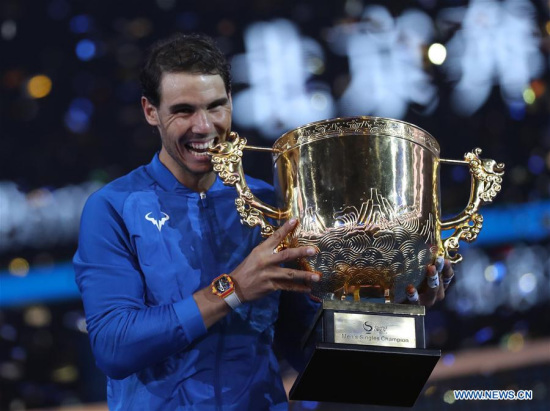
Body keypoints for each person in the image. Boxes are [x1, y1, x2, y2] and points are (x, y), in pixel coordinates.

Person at [73, 32, 454, 410]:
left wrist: (390, 305)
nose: (204, 126)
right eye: (183, 110)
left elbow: (309, 346)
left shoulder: (270, 204)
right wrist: (233, 288)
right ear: (150, 111)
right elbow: (114, 348)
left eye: (216, 106)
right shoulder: (113, 208)